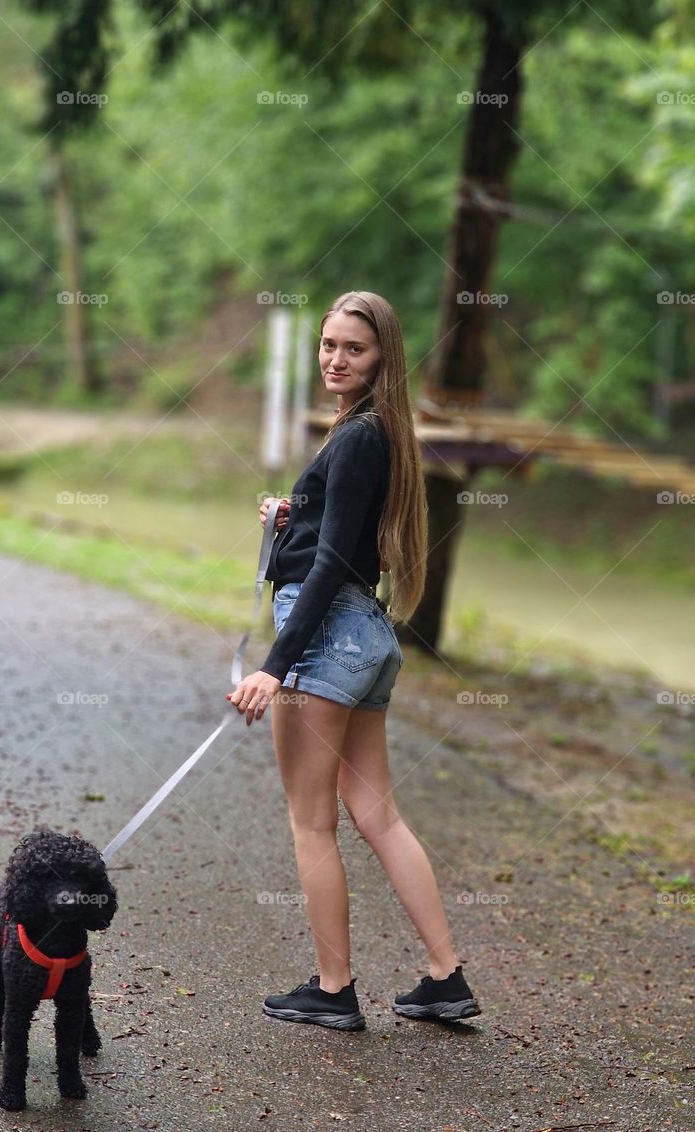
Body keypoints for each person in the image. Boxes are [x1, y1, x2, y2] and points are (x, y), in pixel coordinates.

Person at [225, 290, 481, 1032]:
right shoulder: (367, 431)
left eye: (354, 350)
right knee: (377, 813)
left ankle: (334, 990)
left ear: (382, 359)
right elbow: (339, 535)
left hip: (327, 639)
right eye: (329, 345)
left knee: (312, 823)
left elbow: (334, 560)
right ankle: (444, 977)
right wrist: (291, 512)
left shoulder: (361, 436)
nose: (336, 359)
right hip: (364, 638)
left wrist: (277, 664)